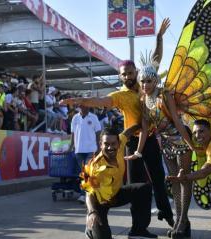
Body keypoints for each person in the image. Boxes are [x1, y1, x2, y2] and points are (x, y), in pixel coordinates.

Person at [60, 18, 174, 227]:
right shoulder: (120, 96)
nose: (128, 76)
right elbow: (101, 101)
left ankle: (168, 215)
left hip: (150, 140)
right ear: (120, 76)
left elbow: (155, 61)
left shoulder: (144, 84)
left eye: (131, 73)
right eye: (125, 74)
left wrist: (158, 38)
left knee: (158, 180)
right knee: (136, 185)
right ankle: (138, 227)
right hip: (132, 143)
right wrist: (78, 100)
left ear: (136, 73)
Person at [124, 62, 196, 238]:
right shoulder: (143, 99)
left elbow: (178, 123)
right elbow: (144, 127)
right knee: (174, 182)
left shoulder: (164, 95)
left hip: (180, 140)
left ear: (155, 80)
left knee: (184, 180)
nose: (144, 85)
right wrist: (138, 152)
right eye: (142, 81)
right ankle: (180, 221)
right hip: (165, 144)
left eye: (148, 81)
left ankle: (182, 222)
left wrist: (192, 145)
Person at [83, 126, 157, 239]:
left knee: (144, 189)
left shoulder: (121, 143)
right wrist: (92, 212)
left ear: (119, 143)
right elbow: (89, 193)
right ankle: (90, 228)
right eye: (106, 144)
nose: (110, 147)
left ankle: (138, 231)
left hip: (116, 194)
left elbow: (128, 131)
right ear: (100, 144)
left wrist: (143, 122)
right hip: (99, 202)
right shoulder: (96, 166)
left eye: (113, 143)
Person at [69, 104, 101, 203]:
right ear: (80, 107)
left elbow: (98, 132)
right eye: (82, 106)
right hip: (79, 149)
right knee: (84, 173)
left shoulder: (94, 117)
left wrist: (98, 147)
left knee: (87, 172)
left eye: (86, 106)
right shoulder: (75, 118)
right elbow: (73, 133)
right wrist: (71, 146)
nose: (84, 107)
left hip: (91, 149)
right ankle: (90, 193)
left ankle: (84, 195)